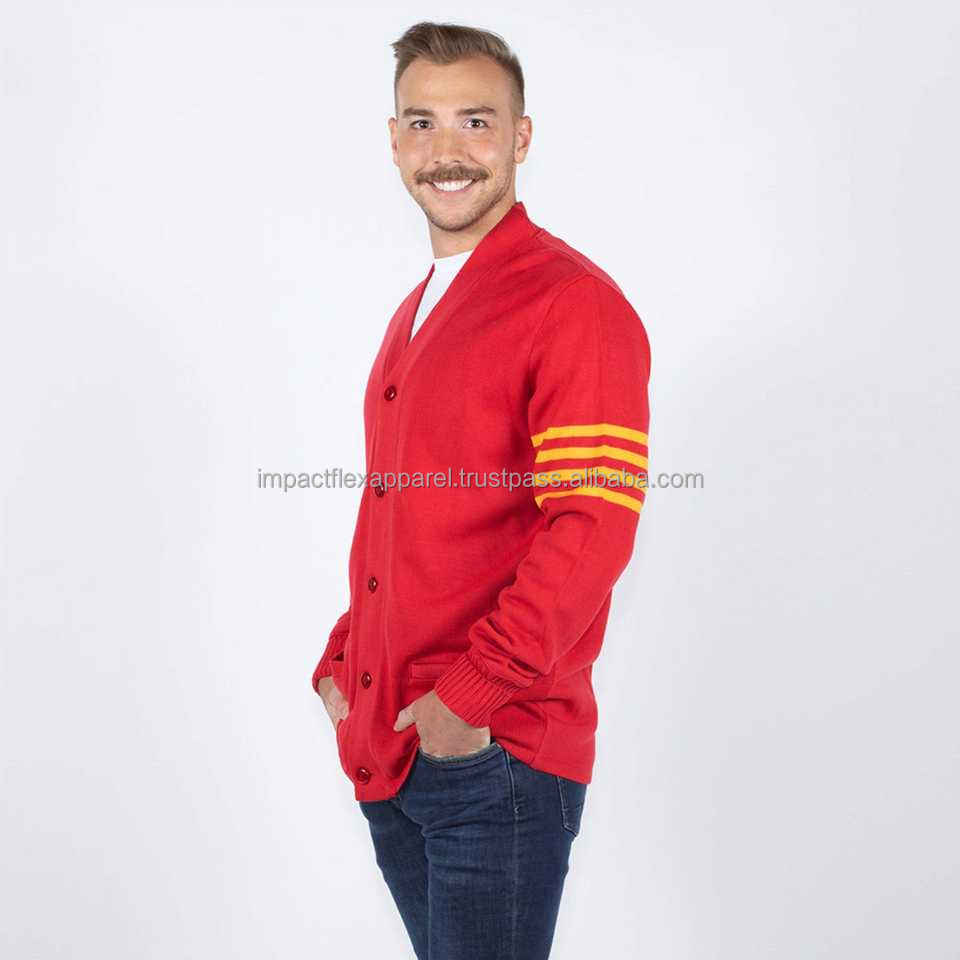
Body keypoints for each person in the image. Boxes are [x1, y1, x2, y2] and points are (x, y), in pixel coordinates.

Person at [312, 21, 651, 960]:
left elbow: (591, 527)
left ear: (521, 136)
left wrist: (468, 698)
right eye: (423, 123)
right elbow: (407, 515)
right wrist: (344, 659)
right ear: (394, 141)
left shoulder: (571, 303)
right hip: (397, 749)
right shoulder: (418, 311)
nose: (447, 151)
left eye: (476, 121)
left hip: (494, 756)